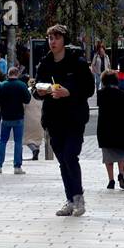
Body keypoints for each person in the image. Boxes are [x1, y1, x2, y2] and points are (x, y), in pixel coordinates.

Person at [34, 24, 96, 217]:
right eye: (50, 38)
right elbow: (38, 89)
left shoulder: (76, 62)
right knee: (62, 160)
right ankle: (70, 199)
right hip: (53, 118)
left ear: (64, 40)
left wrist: (69, 92)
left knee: (70, 156)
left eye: (56, 38)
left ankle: (78, 199)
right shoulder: (45, 63)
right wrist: (41, 91)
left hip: (74, 117)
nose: (52, 42)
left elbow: (88, 88)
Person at [96, 69, 124, 192]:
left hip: (105, 129)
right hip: (122, 128)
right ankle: (121, 174)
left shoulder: (101, 94)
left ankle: (111, 180)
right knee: (121, 155)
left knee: (108, 155)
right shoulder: (123, 95)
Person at [0, 66, 31, 174]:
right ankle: (17, 167)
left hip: (5, 117)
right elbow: (27, 100)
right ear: (17, 74)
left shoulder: (3, 85)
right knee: (18, 142)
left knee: (2, 140)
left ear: (8, 74)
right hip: (18, 116)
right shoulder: (21, 85)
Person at [23, 78, 45, 161]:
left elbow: (24, 104)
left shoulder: (27, 92)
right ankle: (36, 153)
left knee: (27, 138)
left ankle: (34, 150)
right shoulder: (40, 92)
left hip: (28, 118)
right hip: (39, 117)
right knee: (37, 137)